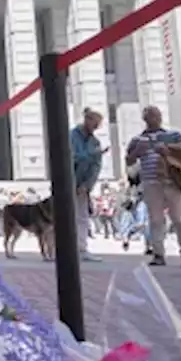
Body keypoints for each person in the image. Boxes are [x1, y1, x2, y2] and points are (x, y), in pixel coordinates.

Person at [125, 105, 181, 268]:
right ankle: (158, 253)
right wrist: (136, 153)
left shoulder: (172, 135)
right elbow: (128, 161)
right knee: (155, 219)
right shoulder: (137, 139)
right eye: (149, 116)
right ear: (144, 119)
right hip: (150, 182)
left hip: (172, 181)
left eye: (155, 116)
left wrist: (169, 150)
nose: (153, 119)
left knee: (180, 219)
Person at [70, 108, 106, 263]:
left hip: (82, 185)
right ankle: (59, 247)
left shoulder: (95, 142)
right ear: (87, 120)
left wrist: (87, 185)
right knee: (63, 216)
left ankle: (81, 248)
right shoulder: (71, 136)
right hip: (67, 181)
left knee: (82, 217)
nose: (95, 128)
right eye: (94, 123)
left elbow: (96, 167)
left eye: (98, 125)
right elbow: (71, 157)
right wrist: (92, 155)